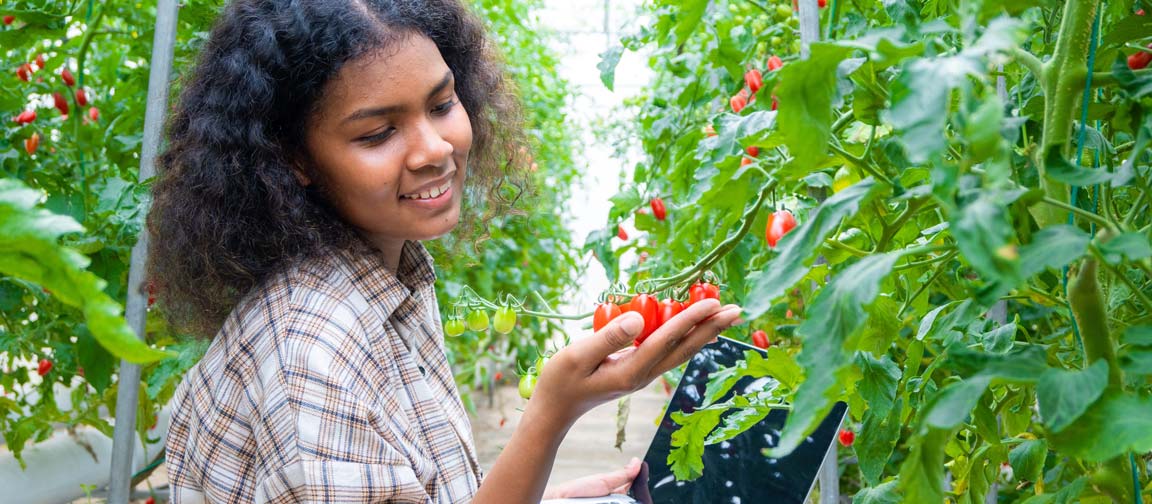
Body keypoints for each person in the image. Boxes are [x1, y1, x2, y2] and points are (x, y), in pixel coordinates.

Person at [146, 0, 743, 502]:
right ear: (294, 158)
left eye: (441, 105)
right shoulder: (313, 350)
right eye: (377, 133)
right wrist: (552, 411)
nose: (434, 148)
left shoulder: (388, 277)